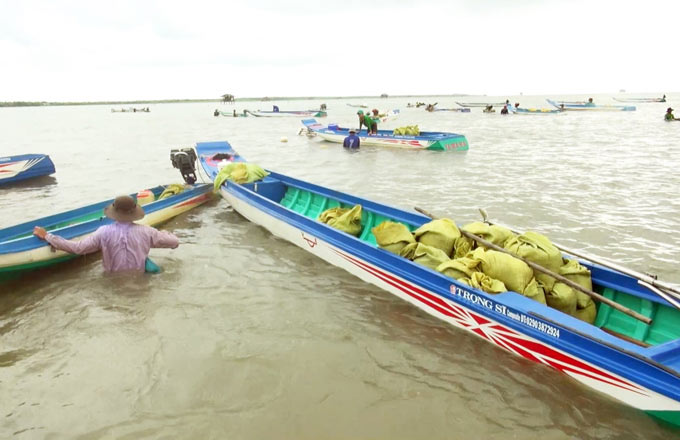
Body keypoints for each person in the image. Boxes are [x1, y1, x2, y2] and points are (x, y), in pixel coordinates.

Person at [33, 195, 179, 273]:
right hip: (139, 280)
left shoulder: (103, 232)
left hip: (112, 280)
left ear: (114, 213)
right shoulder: (148, 232)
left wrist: (47, 236)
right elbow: (174, 243)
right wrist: (166, 233)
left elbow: (77, 248)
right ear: (134, 213)